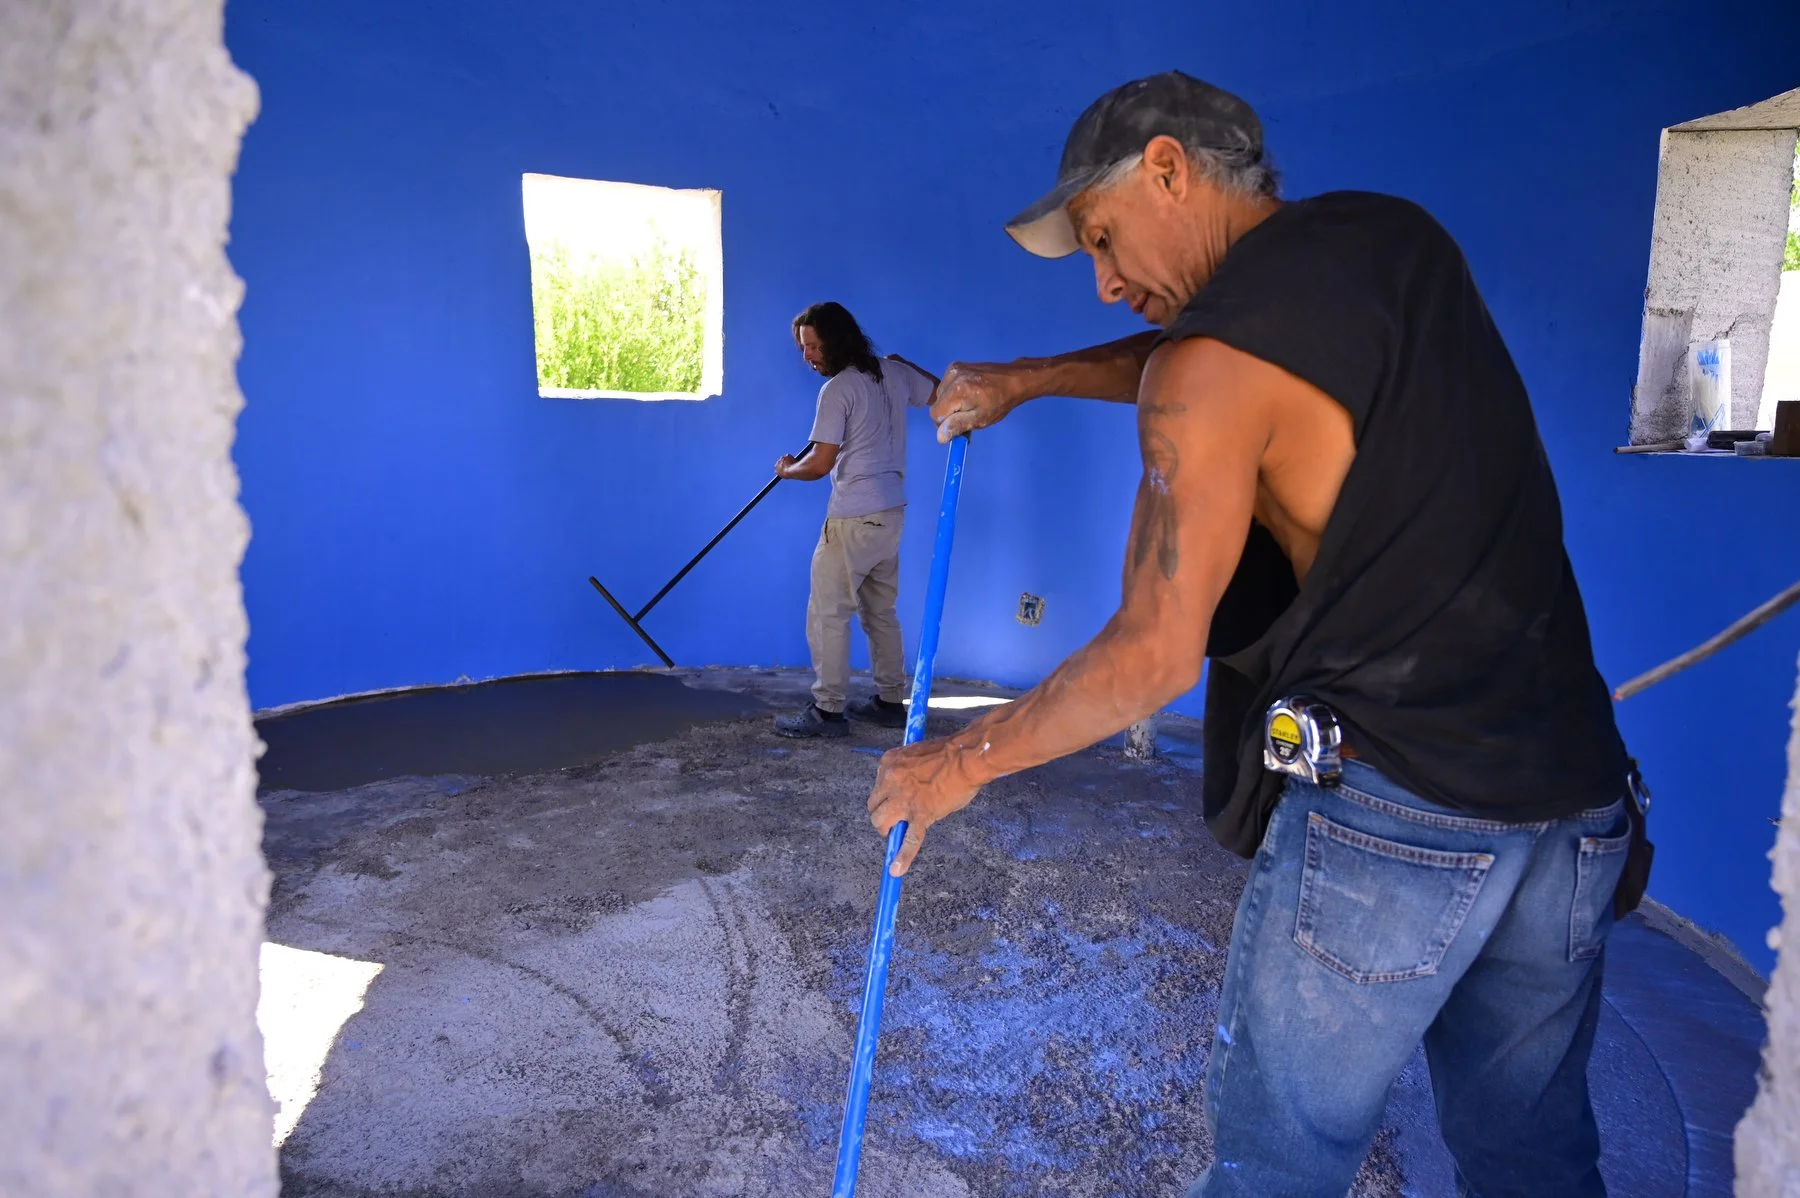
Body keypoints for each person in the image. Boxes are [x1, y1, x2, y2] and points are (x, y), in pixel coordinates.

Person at [865, 72, 1645, 1197]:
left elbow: (1150, 655)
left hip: (1401, 811)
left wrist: (956, 762)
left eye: (1102, 237)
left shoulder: (1209, 366)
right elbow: (1233, 357)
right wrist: (1030, 381)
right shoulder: (1392, 238)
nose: (1103, 281)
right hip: (1573, 792)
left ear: (1169, 170)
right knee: (1532, 1155)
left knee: (1277, 1162)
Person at [773, 302, 939, 738]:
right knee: (880, 612)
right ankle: (889, 701)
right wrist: (906, 364)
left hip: (851, 518)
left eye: (812, 346)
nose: (807, 356)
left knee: (828, 613)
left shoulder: (837, 390)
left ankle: (827, 711)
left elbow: (820, 463)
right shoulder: (893, 373)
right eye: (802, 348)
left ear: (836, 339)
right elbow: (939, 392)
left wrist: (787, 469)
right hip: (890, 515)